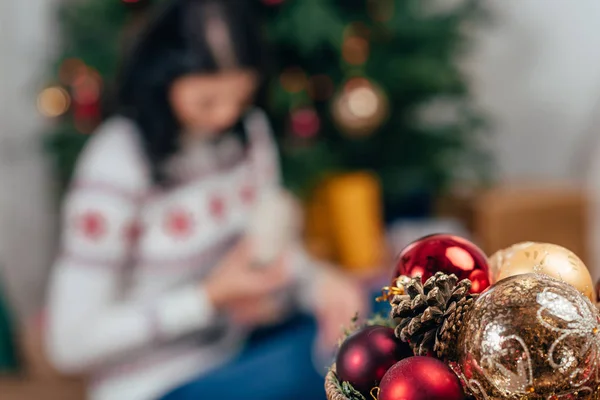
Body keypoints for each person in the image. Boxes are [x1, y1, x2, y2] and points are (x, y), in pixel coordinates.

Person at [44, 1, 366, 399]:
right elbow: (68, 345)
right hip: (155, 382)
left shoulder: (248, 131)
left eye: (241, 97)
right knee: (340, 370)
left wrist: (318, 283)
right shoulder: (117, 162)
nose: (225, 117)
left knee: (377, 310)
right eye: (207, 102)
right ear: (162, 78)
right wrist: (207, 298)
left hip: (237, 349)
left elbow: (265, 255)